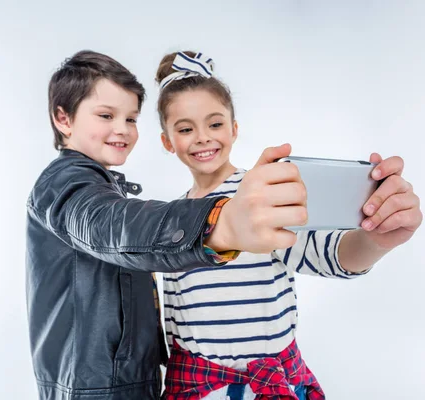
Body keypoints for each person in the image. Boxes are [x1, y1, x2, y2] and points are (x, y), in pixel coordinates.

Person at [26, 50, 308, 400]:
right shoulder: (64, 186)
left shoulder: (102, 187)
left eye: (130, 118)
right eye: (105, 115)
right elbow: (109, 225)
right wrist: (219, 224)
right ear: (63, 119)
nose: (122, 129)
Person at [154, 51, 423, 400]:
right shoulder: (171, 217)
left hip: (267, 387)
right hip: (198, 388)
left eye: (215, 123)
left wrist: (376, 240)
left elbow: (324, 253)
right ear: (167, 142)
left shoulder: (258, 195)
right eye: (185, 129)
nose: (203, 137)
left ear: (234, 130)